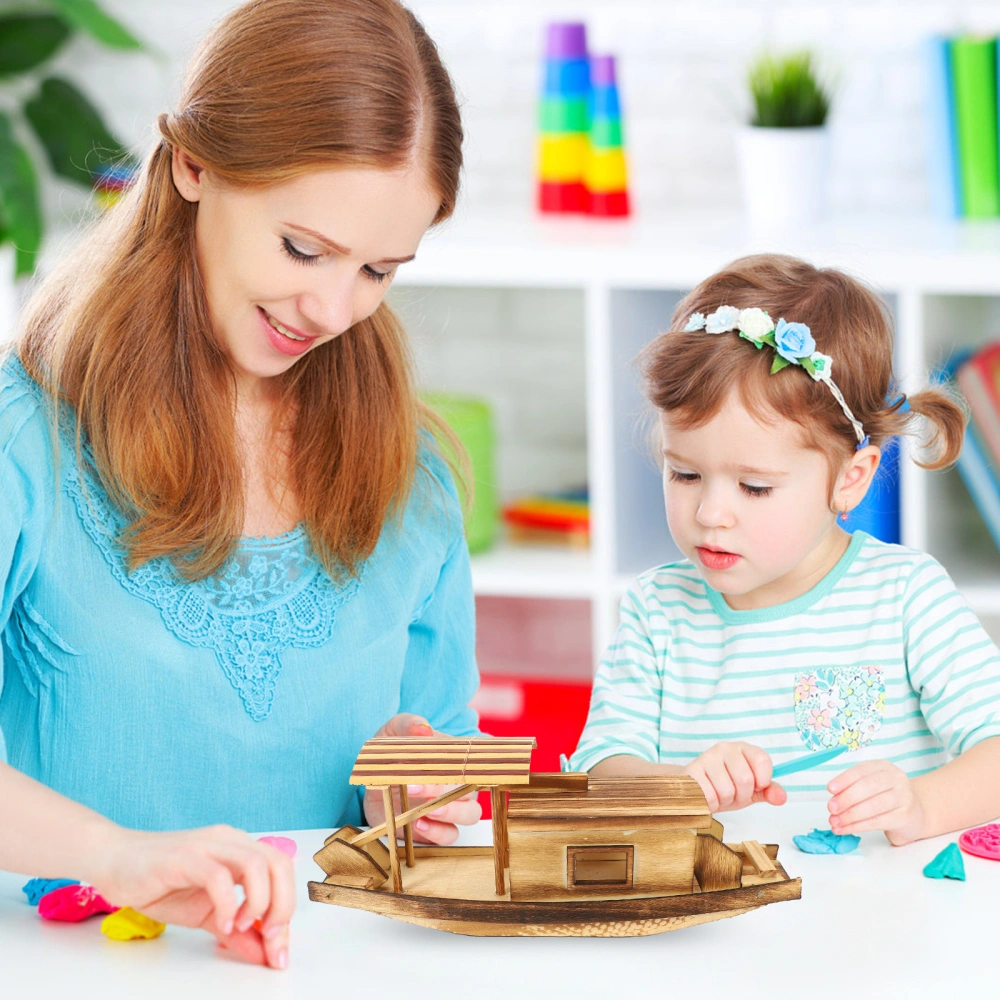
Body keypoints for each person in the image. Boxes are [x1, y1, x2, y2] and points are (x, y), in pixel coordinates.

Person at [1, 0, 481, 965]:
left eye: (380, 270)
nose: (333, 308)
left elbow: (450, 756)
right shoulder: (29, 435)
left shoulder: (410, 471)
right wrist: (115, 855)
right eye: (304, 248)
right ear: (193, 165)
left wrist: (417, 789)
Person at [569, 254, 1000, 846]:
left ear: (850, 478)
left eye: (754, 487)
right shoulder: (657, 610)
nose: (710, 513)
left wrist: (922, 804)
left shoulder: (904, 597)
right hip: (718, 927)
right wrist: (682, 786)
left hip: (882, 925)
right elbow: (599, 775)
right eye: (685, 474)